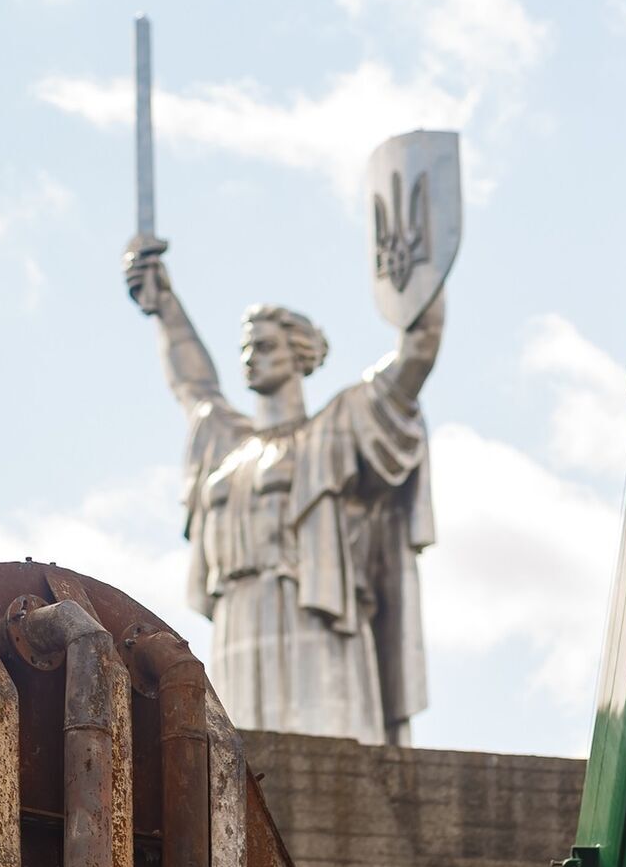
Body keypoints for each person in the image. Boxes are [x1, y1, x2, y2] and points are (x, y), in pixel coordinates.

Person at [125, 241, 440, 745]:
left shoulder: (338, 428)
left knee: (328, 754)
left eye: (265, 346)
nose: (251, 358)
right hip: (239, 619)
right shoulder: (226, 441)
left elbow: (417, 354)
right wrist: (165, 307)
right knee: (241, 763)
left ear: (300, 354)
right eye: (246, 348)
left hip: (316, 617)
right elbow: (192, 383)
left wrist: (422, 273)